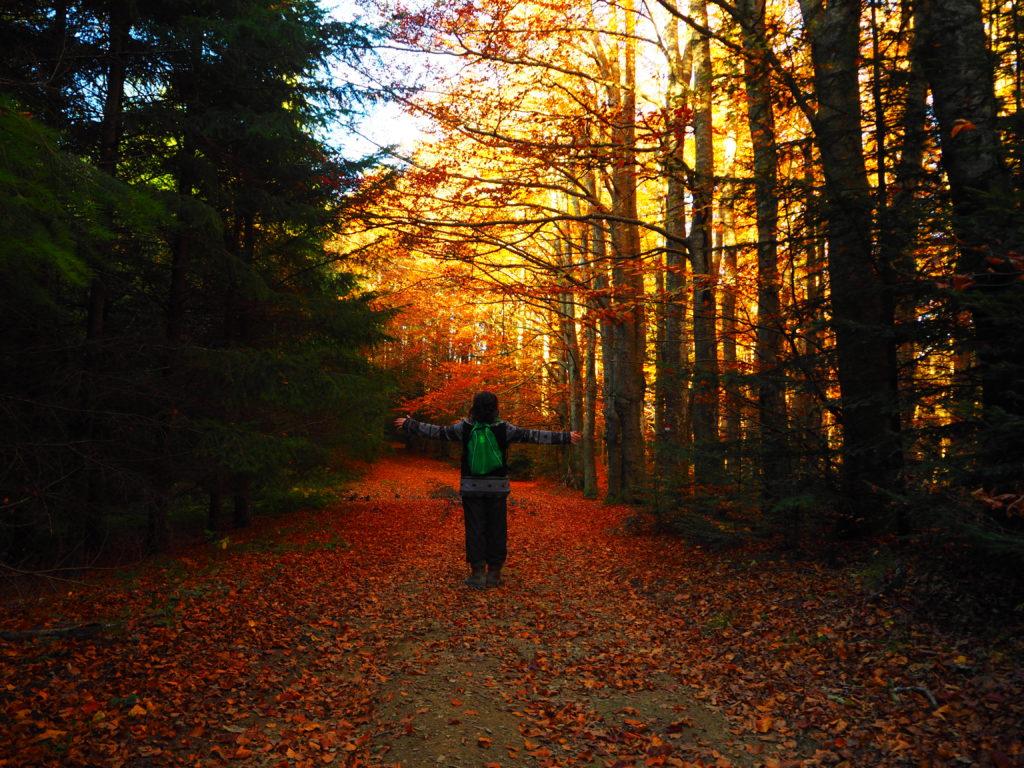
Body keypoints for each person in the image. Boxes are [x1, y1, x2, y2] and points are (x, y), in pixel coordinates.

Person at [394, 391, 581, 589]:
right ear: (495, 408)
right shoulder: (504, 428)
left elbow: (438, 432)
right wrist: (566, 437)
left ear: (474, 407)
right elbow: (532, 435)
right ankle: (494, 574)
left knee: (475, 529)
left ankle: (477, 575)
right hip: (498, 489)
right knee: (497, 529)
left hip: (471, 487)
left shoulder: (464, 428)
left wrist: (410, 424)